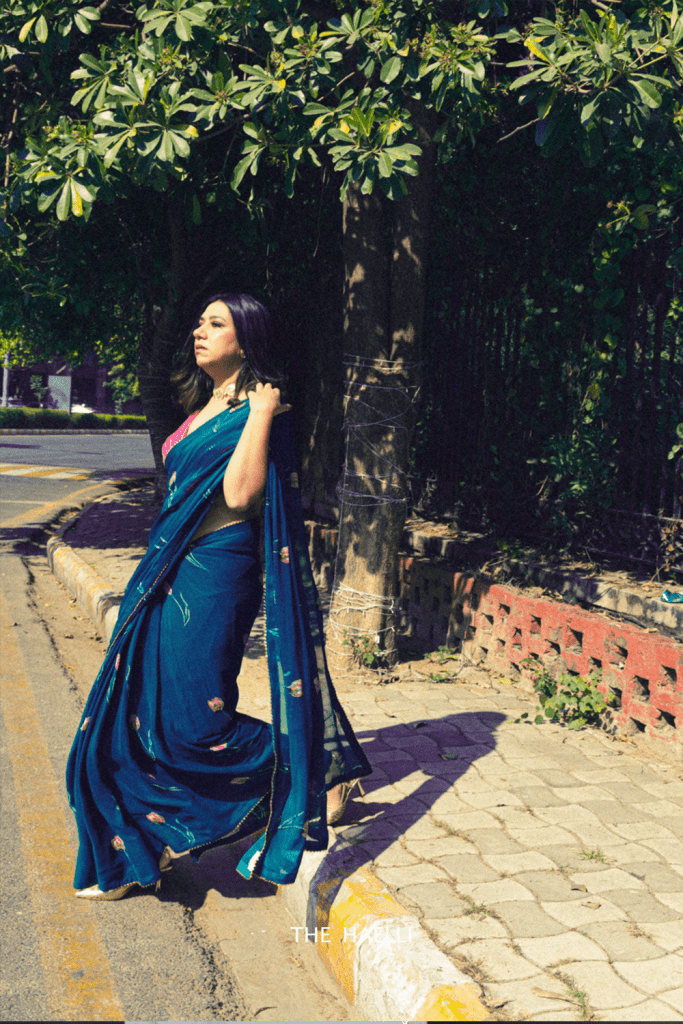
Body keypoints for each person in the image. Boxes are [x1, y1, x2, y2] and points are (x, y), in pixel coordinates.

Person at [66, 293, 371, 900]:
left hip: (217, 572)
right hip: (165, 570)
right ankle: (140, 848)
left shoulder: (265, 407)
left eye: (215, 323)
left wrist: (260, 414)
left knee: (195, 725)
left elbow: (239, 495)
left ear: (246, 338)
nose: (199, 332)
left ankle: (310, 770)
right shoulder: (202, 405)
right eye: (199, 322)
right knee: (135, 712)